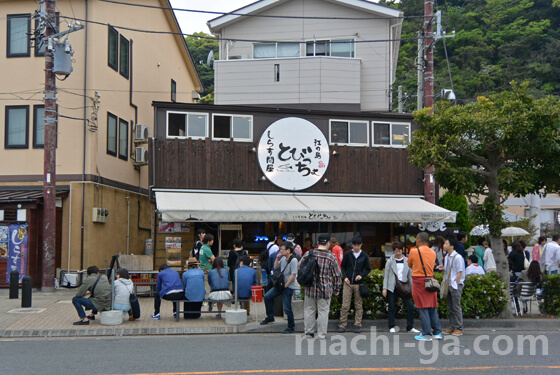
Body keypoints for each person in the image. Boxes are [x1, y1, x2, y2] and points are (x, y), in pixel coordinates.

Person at [301, 234, 342, 340]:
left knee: (309, 310)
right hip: (325, 289)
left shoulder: (309, 253)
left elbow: (300, 266)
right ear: (328, 243)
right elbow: (337, 275)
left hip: (310, 288)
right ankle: (321, 334)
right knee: (323, 312)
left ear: (318, 243)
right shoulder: (331, 256)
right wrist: (337, 289)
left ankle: (309, 332)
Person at [407, 232, 442, 341]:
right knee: (432, 306)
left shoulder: (414, 251)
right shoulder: (432, 252)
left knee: (422, 307)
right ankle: (437, 332)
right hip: (430, 279)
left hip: (418, 280)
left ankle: (427, 334)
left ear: (418, 240)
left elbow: (409, 264)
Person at [260, 241, 299, 333]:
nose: (281, 251)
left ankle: (291, 326)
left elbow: (293, 275)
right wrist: (277, 259)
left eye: (282, 249)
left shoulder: (293, 260)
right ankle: (270, 316)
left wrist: (286, 285)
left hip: (288, 286)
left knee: (287, 307)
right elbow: (276, 267)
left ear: (288, 250)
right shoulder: (283, 258)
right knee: (267, 297)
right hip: (280, 285)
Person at [382, 242, 419, 334]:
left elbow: (410, 275)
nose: (398, 253)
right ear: (394, 251)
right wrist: (384, 288)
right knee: (391, 306)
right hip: (392, 286)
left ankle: (410, 326)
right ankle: (391, 325)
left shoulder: (407, 261)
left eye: (399, 251)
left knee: (410, 306)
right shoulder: (390, 261)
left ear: (402, 250)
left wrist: (412, 287)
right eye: (396, 251)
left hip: (404, 286)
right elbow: (386, 275)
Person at [337, 236, 371, 334]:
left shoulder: (364, 256)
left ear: (361, 245)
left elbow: (368, 269)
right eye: (355, 245)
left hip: (358, 283)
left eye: (358, 245)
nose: (356, 247)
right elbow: (343, 266)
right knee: (345, 305)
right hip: (348, 282)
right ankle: (342, 324)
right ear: (352, 245)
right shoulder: (348, 254)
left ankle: (357, 324)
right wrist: (345, 277)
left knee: (358, 305)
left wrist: (361, 275)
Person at [441, 236, 465, 336]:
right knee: (450, 307)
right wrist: (442, 268)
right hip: (449, 284)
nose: (444, 245)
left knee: (456, 307)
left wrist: (456, 283)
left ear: (452, 246)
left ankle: (459, 328)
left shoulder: (458, 257)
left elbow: (460, 272)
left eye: (446, 243)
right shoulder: (447, 257)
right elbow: (449, 270)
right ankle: (452, 326)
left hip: (455, 285)